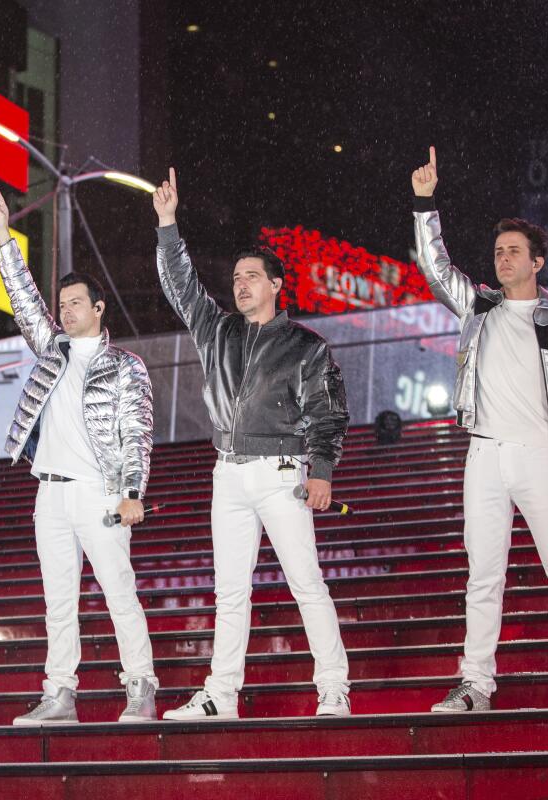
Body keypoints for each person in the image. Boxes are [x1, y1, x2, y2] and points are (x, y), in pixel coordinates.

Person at [151, 169, 352, 720]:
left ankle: (333, 687)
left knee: (306, 583)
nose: (240, 284)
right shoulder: (217, 331)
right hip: (229, 471)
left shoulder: (305, 346)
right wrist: (168, 225)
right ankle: (220, 694)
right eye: (236, 276)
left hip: (283, 473)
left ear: (275, 284)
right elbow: (182, 287)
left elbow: (328, 413)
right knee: (229, 593)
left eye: (252, 276)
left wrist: (323, 470)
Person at [410, 146, 548, 712]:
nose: (502, 259)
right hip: (485, 454)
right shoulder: (479, 308)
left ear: (537, 261)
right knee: (483, 575)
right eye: (498, 252)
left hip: (542, 455)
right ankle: (475, 683)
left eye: (514, 252)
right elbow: (435, 266)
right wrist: (425, 202)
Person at [0, 191, 159, 725]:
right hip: (51, 492)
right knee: (58, 601)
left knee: (118, 593)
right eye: (62, 306)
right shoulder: (52, 350)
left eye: (75, 304)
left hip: (100, 493)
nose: (64, 312)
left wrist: (133, 493)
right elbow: (24, 302)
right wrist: (2, 241)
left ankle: (140, 686)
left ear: (99, 308)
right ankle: (59, 693)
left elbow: (139, 434)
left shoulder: (125, 366)